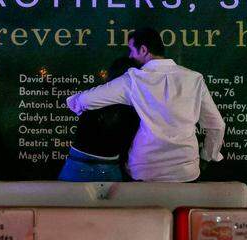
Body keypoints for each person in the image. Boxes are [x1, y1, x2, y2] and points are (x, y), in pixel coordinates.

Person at [66, 27, 225, 182]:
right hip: (186, 171)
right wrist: (206, 157)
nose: (130, 55)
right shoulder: (194, 78)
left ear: (143, 50)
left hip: (145, 170)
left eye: (132, 50)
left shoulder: (134, 79)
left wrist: (75, 105)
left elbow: (84, 100)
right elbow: (217, 125)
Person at [58, 57, 140, 182]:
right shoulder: (138, 106)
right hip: (111, 166)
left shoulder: (93, 96)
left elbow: (74, 103)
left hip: (78, 163)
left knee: (68, 201)